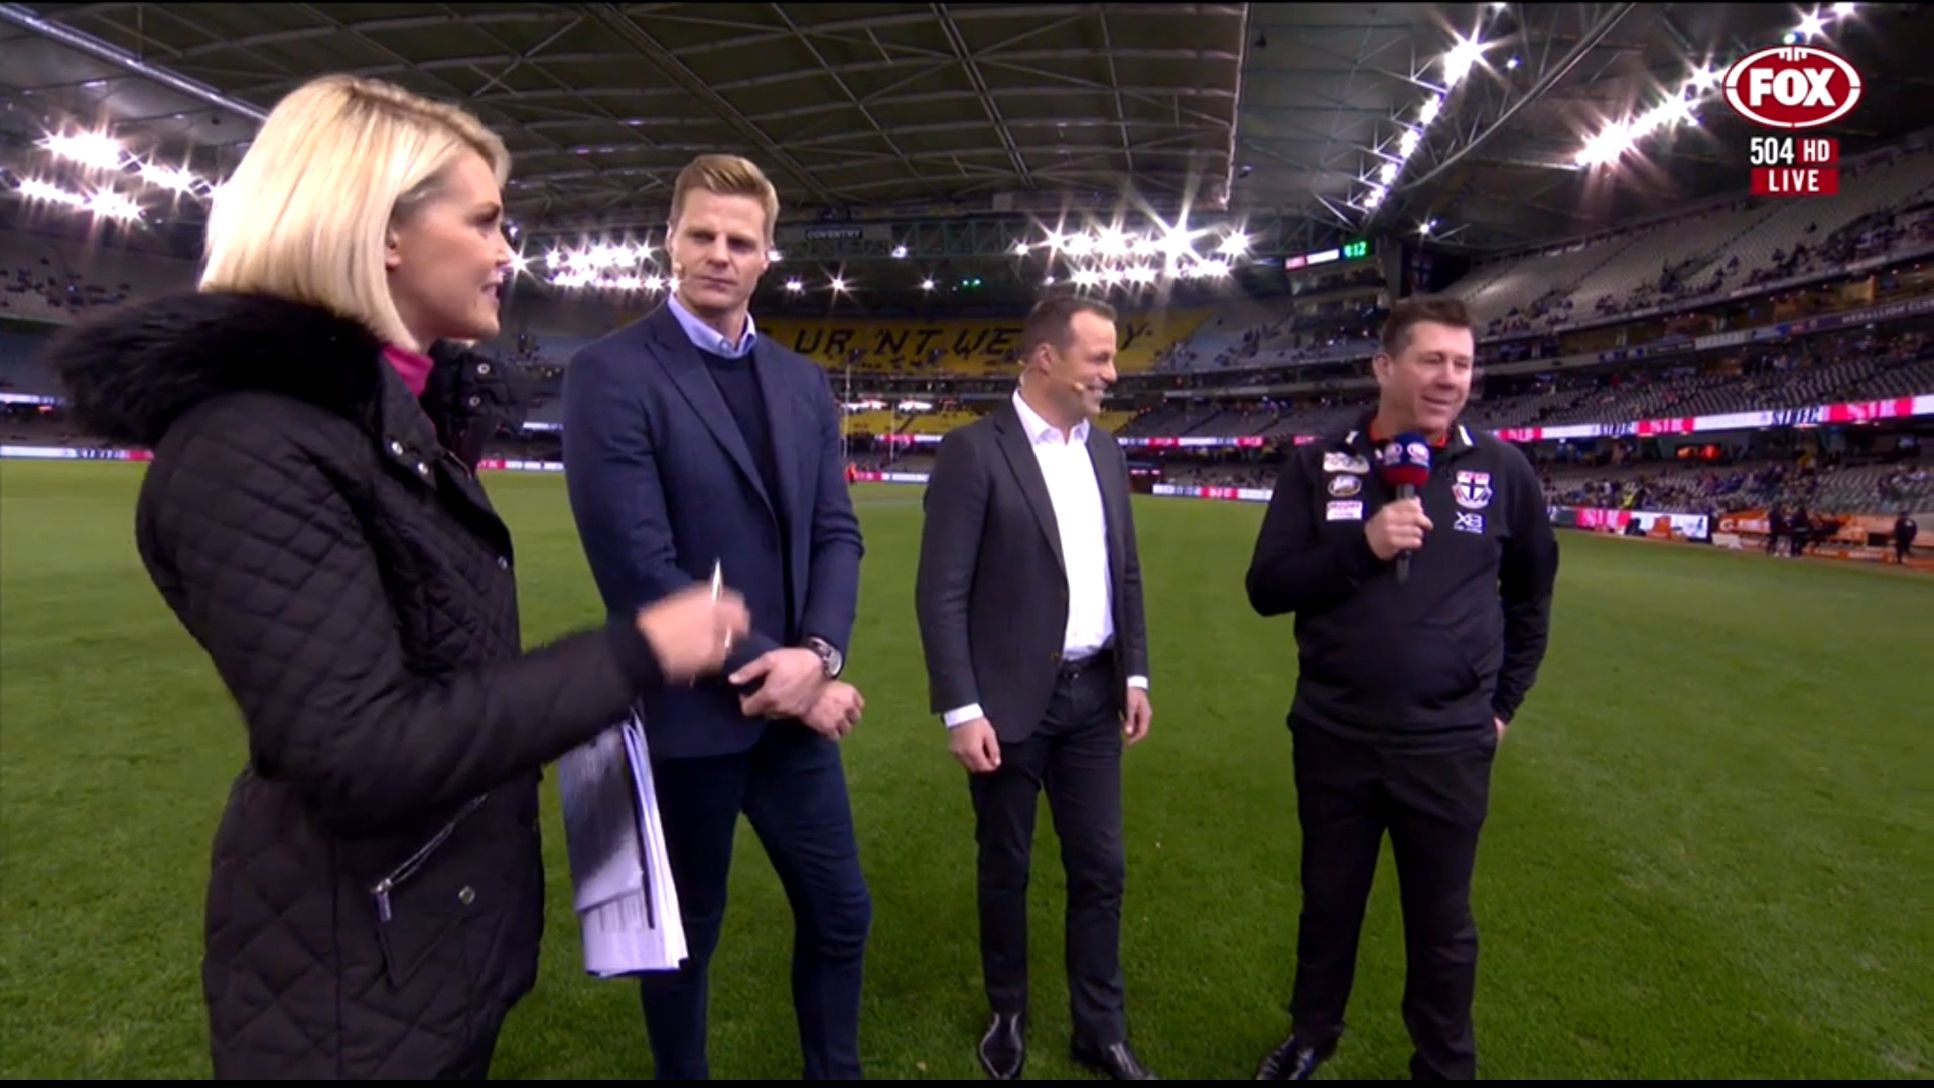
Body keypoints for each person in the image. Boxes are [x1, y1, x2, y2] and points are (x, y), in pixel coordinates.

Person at [45, 74, 751, 1080]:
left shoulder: (392, 430)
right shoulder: (254, 444)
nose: (507, 253)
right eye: (485, 221)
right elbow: (362, 753)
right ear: (381, 230)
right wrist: (633, 654)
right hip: (345, 984)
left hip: (421, 945)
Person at [561, 154, 870, 1080]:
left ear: (767, 255)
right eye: (701, 234)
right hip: (686, 717)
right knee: (686, 938)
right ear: (670, 241)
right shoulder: (610, 373)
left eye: (740, 240)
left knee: (841, 915)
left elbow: (836, 532)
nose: (719, 254)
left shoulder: (801, 382)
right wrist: (793, 675)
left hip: (791, 716)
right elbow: (641, 570)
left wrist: (817, 655)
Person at [1245, 296, 1559, 1081]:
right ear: (1385, 366)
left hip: (1448, 743)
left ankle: (1445, 1064)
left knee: (1442, 922)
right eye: (1432, 360)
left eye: (1462, 363)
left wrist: (1501, 707)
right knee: (1329, 902)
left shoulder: (1503, 471)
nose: (1450, 378)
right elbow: (1267, 586)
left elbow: (1531, 599)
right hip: (1335, 732)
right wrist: (1362, 546)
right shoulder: (1318, 463)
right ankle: (1312, 1034)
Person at [914, 295, 1157, 1081]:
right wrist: (961, 708)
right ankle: (1008, 1011)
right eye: (1100, 357)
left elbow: (1125, 571)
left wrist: (1135, 672)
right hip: (1007, 704)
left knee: (1102, 870)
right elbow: (941, 593)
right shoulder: (973, 452)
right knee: (1005, 867)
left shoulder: (1106, 452)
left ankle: (1100, 1029)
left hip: (1093, 698)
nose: (1112, 373)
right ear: (1046, 358)